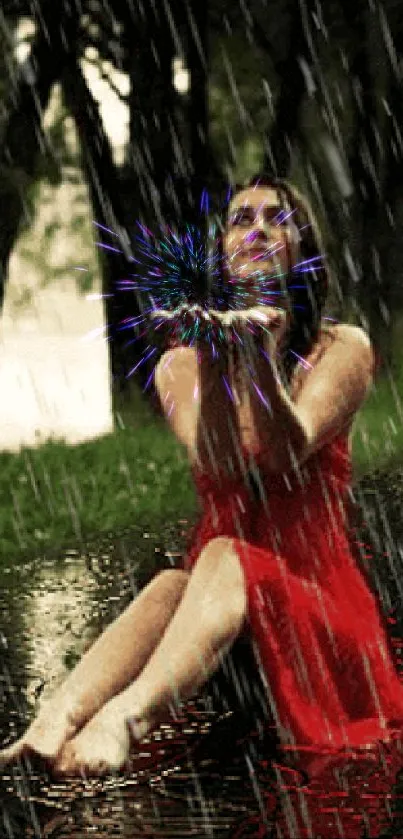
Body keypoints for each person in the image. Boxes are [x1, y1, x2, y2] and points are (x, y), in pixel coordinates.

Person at [2, 174, 403, 779]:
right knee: (170, 584)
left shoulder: (343, 348)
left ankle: (126, 718)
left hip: (321, 621)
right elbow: (218, 462)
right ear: (221, 251)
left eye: (277, 218)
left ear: (303, 250)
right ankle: (55, 720)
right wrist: (219, 359)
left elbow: (281, 454)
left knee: (222, 555)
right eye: (242, 219)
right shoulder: (180, 365)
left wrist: (260, 357)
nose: (259, 229)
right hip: (217, 619)